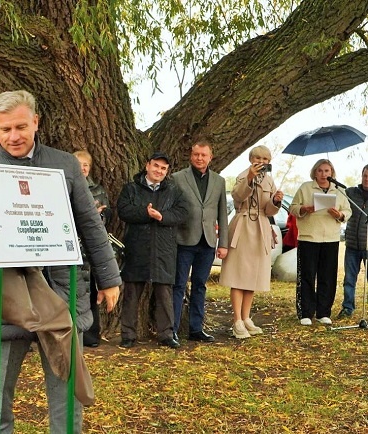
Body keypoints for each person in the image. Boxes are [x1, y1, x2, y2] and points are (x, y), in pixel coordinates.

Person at [0, 90, 121, 434]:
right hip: (7, 295)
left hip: (61, 294)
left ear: (36, 122)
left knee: (66, 391)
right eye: (5, 129)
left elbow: (90, 224)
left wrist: (109, 278)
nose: (13, 136)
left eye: (21, 126)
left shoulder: (64, 164)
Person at [117, 152, 188, 349]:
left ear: (167, 171)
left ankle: (166, 335)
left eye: (163, 168)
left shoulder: (174, 191)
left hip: (164, 249)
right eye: (156, 166)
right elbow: (123, 210)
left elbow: (182, 213)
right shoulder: (131, 188)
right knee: (131, 293)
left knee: (164, 294)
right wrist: (145, 213)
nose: (159, 171)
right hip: (137, 247)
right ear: (147, 165)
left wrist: (161, 216)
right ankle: (128, 335)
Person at [219, 146, 283, 339]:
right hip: (243, 226)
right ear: (251, 159)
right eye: (258, 158)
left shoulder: (269, 181)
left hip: (261, 227)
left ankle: (246, 318)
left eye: (265, 159)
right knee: (238, 275)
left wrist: (276, 201)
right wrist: (249, 178)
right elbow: (237, 197)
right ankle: (237, 320)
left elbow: (269, 211)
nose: (262, 162)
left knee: (252, 275)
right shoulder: (242, 176)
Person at [172, 140, 229, 342]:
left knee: (200, 286)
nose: (199, 158)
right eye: (196, 154)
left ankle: (196, 329)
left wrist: (223, 243)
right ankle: (172, 330)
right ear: (191, 155)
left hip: (208, 242)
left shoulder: (219, 181)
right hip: (184, 240)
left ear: (210, 157)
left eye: (203, 155)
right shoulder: (178, 178)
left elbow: (222, 213)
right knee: (178, 285)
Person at [290, 159, 351, 326]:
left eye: (327, 171)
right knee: (307, 276)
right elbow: (293, 207)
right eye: (320, 171)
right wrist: (304, 209)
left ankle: (323, 312)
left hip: (330, 239)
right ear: (314, 172)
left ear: (332, 173)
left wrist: (339, 215)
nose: (324, 174)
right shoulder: (305, 188)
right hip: (309, 238)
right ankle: (306, 313)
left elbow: (348, 211)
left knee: (328, 277)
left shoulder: (338, 191)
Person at [73, 150, 112, 347]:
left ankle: (90, 335)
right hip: (71, 246)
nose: (82, 168)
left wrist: (98, 216)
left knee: (91, 292)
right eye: (78, 164)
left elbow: (106, 216)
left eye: (86, 165)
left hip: (90, 248)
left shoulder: (98, 190)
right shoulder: (64, 187)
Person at [338, 164, 368, 318]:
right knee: (349, 279)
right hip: (352, 245)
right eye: (365, 176)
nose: (367, 179)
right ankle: (347, 307)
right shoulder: (350, 193)